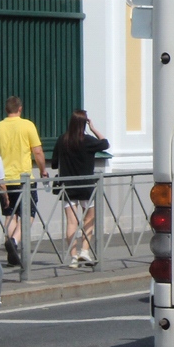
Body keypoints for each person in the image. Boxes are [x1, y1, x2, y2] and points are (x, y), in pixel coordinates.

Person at [0, 95, 47, 268]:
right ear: (20, 109)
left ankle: (11, 253)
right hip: (24, 180)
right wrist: (43, 170)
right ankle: (14, 241)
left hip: (3, 180)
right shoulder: (27, 125)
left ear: (6, 109)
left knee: (9, 214)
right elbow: (37, 151)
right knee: (28, 214)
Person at [52, 110, 110, 268]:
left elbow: (54, 163)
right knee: (89, 219)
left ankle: (73, 257)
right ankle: (85, 251)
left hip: (68, 187)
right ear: (85, 124)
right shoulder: (88, 140)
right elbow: (105, 144)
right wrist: (94, 129)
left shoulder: (62, 140)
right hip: (86, 186)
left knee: (71, 222)